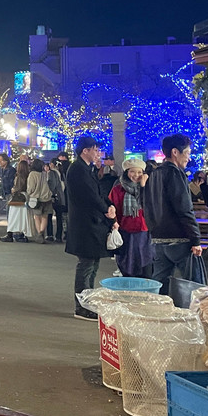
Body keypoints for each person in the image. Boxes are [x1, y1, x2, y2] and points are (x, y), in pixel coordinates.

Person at [65, 135, 117, 320]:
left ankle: (87, 301)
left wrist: (110, 207)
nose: (97, 153)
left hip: (92, 223)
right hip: (84, 224)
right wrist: (107, 210)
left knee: (92, 264)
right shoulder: (78, 169)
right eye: (94, 149)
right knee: (86, 264)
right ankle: (81, 306)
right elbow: (90, 196)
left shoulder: (87, 169)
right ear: (85, 150)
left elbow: (99, 193)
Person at [143, 134, 202, 295]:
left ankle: (157, 316)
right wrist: (196, 239)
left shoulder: (154, 174)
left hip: (158, 239)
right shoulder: (175, 173)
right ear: (175, 152)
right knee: (196, 285)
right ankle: (196, 318)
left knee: (159, 284)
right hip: (180, 239)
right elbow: (184, 208)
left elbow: (146, 205)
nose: (188, 158)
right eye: (188, 153)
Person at [109, 158, 153, 278]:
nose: (136, 175)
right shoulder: (118, 189)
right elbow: (113, 209)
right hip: (125, 231)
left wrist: (144, 186)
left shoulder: (149, 188)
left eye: (139, 172)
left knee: (146, 265)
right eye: (132, 172)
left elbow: (151, 206)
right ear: (126, 172)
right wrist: (114, 224)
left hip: (144, 231)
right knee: (127, 265)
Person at [2, 159, 35, 242]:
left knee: (13, 217)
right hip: (25, 197)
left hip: (18, 198)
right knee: (23, 217)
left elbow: (17, 188)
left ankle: (11, 234)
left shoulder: (19, 176)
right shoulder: (28, 175)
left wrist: (13, 189)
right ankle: (21, 234)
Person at [26, 159, 54, 243]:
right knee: (45, 216)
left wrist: (29, 193)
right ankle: (41, 232)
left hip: (36, 199)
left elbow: (31, 188)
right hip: (46, 198)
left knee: (37, 217)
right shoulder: (44, 174)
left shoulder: (32, 174)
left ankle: (39, 234)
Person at [47, 157, 65, 242]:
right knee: (59, 217)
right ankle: (59, 236)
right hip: (61, 197)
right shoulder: (61, 173)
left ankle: (50, 234)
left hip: (54, 197)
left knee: (49, 215)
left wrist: (50, 192)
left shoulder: (51, 173)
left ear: (52, 164)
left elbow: (52, 185)